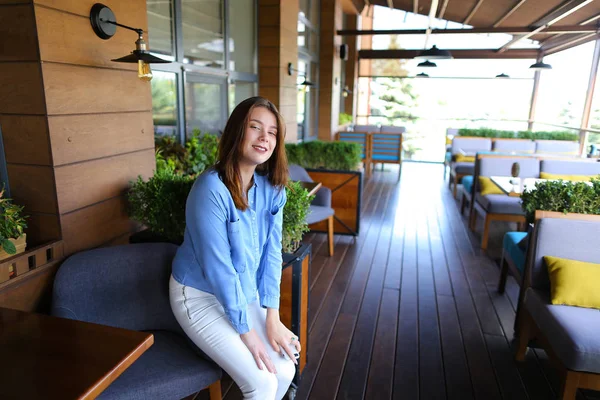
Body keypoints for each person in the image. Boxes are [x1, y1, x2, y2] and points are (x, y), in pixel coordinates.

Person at [169, 97, 300, 400]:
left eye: (272, 132)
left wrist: (272, 317)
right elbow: (219, 269)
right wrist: (248, 334)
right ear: (236, 132)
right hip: (199, 296)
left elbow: (271, 254)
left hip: (241, 292)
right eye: (255, 127)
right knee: (262, 382)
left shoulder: (272, 188)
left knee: (285, 370)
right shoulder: (211, 188)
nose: (264, 137)